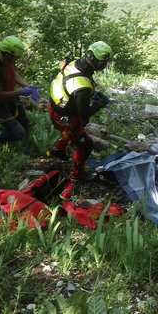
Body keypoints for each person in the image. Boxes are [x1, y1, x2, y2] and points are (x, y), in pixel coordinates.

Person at [47, 41, 113, 198]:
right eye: (104, 62)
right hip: (67, 118)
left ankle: (57, 150)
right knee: (86, 145)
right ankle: (77, 174)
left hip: (54, 106)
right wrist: (99, 104)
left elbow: (74, 86)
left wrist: (92, 95)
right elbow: (84, 113)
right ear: (98, 62)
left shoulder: (75, 62)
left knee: (66, 132)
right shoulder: (82, 88)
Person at [0, 36, 40, 144]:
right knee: (19, 133)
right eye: (16, 57)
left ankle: (23, 146)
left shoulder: (8, 61)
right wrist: (20, 92)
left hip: (11, 100)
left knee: (25, 122)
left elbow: (14, 75)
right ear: (7, 54)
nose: (17, 59)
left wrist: (28, 86)